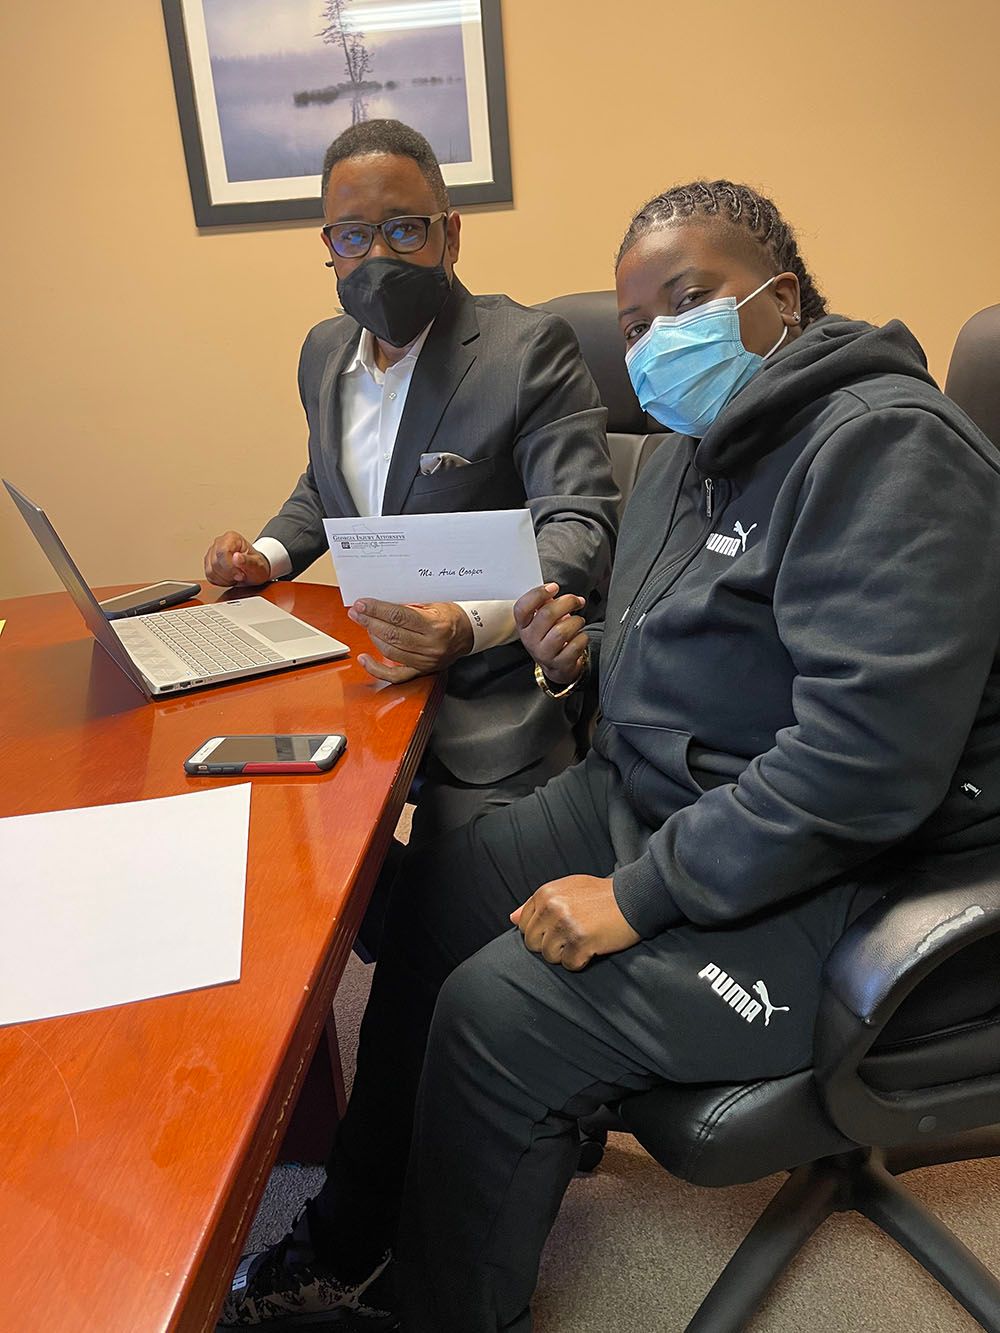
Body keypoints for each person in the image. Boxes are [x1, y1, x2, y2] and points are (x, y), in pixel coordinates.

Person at [218, 180, 1000, 1331]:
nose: (651, 340)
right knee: (436, 890)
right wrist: (576, 665)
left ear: (777, 299)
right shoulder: (693, 447)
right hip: (668, 795)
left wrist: (635, 899)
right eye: (634, 325)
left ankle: (432, 1312)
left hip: (847, 867)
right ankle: (353, 1229)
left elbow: (863, 765)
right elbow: (698, 662)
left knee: (504, 1007)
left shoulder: (885, 446)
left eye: (688, 299)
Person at [203, 119, 618, 844]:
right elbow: (327, 483)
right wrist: (263, 557)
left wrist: (467, 622)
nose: (376, 256)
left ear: (450, 235)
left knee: (449, 902)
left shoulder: (527, 350)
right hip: (362, 679)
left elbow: (578, 524)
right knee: (261, 829)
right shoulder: (323, 351)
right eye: (352, 237)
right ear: (328, 248)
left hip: (491, 695)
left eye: (403, 230)